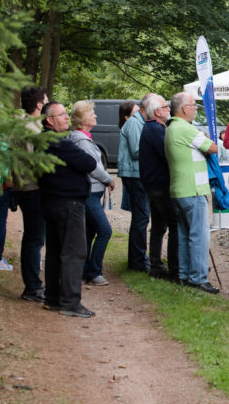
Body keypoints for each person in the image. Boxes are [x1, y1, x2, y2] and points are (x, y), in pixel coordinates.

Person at [39, 102, 97, 317]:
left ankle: (53, 298)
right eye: (61, 114)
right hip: (68, 203)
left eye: (65, 113)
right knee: (74, 252)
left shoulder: (46, 141)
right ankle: (70, 303)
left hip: (52, 202)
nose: (66, 117)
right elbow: (88, 162)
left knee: (55, 251)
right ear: (49, 120)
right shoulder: (58, 142)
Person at [164, 92, 220, 293]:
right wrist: (205, 137)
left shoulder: (171, 128)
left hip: (179, 188)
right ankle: (198, 278)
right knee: (199, 235)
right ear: (185, 108)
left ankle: (184, 274)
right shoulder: (186, 129)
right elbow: (213, 148)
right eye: (194, 105)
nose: (196, 108)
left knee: (184, 233)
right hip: (193, 188)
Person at [67, 100, 115, 287]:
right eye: (91, 113)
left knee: (90, 231)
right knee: (105, 230)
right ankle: (94, 271)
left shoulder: (83, 138)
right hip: (90, 193)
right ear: (81, 119)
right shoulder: (81, 140)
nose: (95, 115)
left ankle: (84, 271)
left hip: (91, 192)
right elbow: (93, 166)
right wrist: (109, 179)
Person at [139, 94, 179, 280]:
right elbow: (168, 155)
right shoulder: (155, 130)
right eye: (165, 106)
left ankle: (156, 265)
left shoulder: (152, 128)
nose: (169, 109)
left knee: (159, 226)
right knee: (174, 225)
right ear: (157, 112)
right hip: (160, 185)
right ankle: (174, 268)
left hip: (153, 184)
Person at [16, 86, 49, 301]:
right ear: (39, 105)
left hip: (27, 187)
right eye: (46, 99)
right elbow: (34, 161)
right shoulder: (30, 129)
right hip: (32, 188)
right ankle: (32, 286)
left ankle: (33, 283)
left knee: (34, 237)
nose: (48, 102)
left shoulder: (27, 125)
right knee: (34, 238)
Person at [119, 94, 152, 273]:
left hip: (138, 173)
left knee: (141, 217)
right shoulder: (134, 122)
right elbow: (136, 150)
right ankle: (138, 261)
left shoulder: (140, 121)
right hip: (134, 174)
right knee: (141, 218)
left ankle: (138, 259)